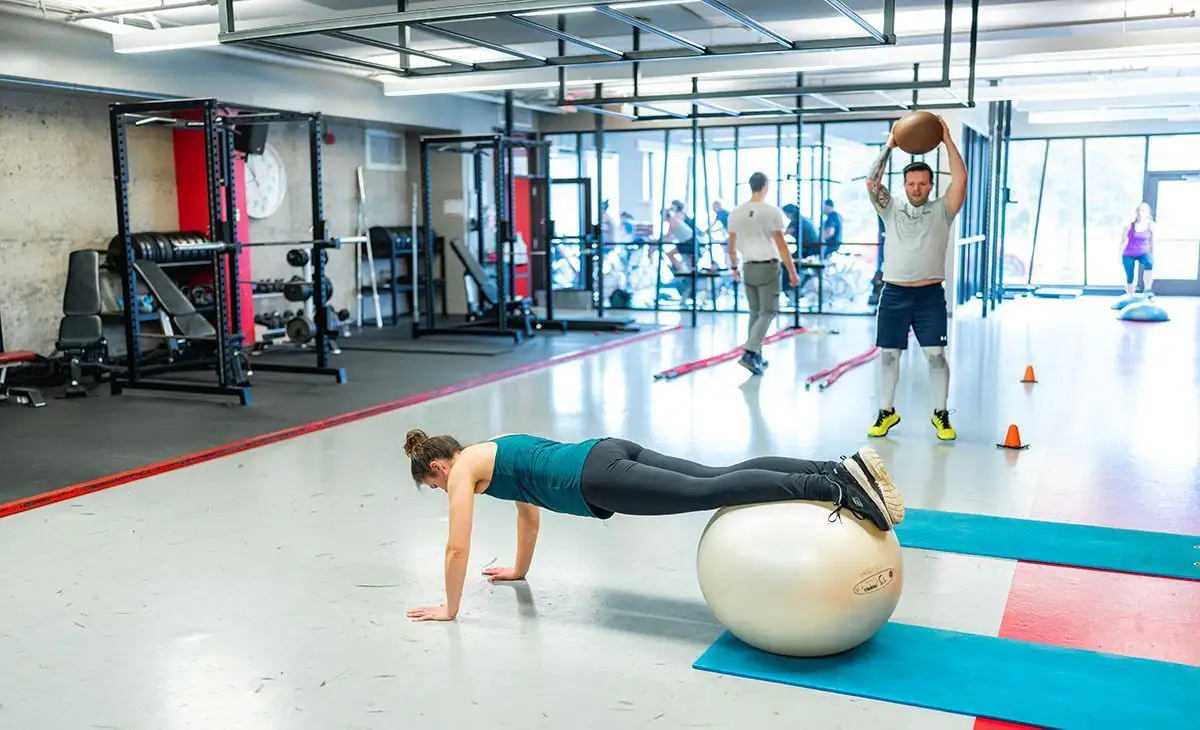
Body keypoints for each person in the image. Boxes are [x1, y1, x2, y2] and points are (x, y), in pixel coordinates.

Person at [403, 430, 905, 622]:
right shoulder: (492, 449)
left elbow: (455, 546)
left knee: (711, 491)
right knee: (718, 475)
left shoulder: (464, 471)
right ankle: (834, 469)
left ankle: (837, 490)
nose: (443, 492)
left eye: (435, 486)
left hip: (596, 478)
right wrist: (518, 568)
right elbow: (528, 513)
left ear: (439, 468)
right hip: (606, 451)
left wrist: (450, 608)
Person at [864, 115, 966, 441]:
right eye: (911, 184)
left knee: (935, 357)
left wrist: (947, 138)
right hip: (893, 294)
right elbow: (871, 182)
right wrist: (891, 144)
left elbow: (961, 179)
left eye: (922, 183)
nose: (917, 188)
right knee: (889, 355)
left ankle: (941, 413)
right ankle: (886, 412)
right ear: (904, 186)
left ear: (931, 185)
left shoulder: (943, 210)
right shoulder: (889, 209)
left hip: (929, 296)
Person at [726, 172, 800, 375]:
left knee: (755, 312)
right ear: (766, 186)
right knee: (768, 312)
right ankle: (750, 352)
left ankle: (756, 355)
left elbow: (731, 245)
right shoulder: (771, 212)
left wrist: (733, 268)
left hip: (747, 266)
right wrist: (792, 272)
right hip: (768, 267)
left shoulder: (736, 212)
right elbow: (782, 245)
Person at [1121, 202, 1155, 297]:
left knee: (1149, 263)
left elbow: (1152, 242)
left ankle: (1148, 289)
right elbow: (1123, 241)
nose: (1141, 213)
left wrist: (1153, 254)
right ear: (1136, 212)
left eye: (1143, 211)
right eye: (1139, 210)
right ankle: (1130, 294)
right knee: (1130, 274)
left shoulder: (1150, 225)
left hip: (1143, 252)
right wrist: (1119, 254)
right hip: (1129, 252)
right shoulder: (1129, 225)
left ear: (1147, 213)